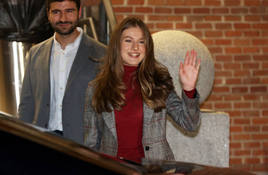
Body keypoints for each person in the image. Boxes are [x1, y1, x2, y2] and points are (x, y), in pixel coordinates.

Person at [83, 17, 201, 164]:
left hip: (154, 169)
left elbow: (190, 124)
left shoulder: (159, 81)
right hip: (114, 168)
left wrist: (189, 90)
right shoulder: (95, 88)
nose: (135, 48)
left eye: (141, 41)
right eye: (128, 40)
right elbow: (91, 144)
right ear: (116, 45)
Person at [18, 0, 106, 145]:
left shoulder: (102, 54)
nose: (63, 18)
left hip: (83, 145)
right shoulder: (35, 53)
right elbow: (26, 105)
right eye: (56, 12)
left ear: (79, 12)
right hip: (42, 142)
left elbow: (106, 110)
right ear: (48, 14)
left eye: (69, 11)